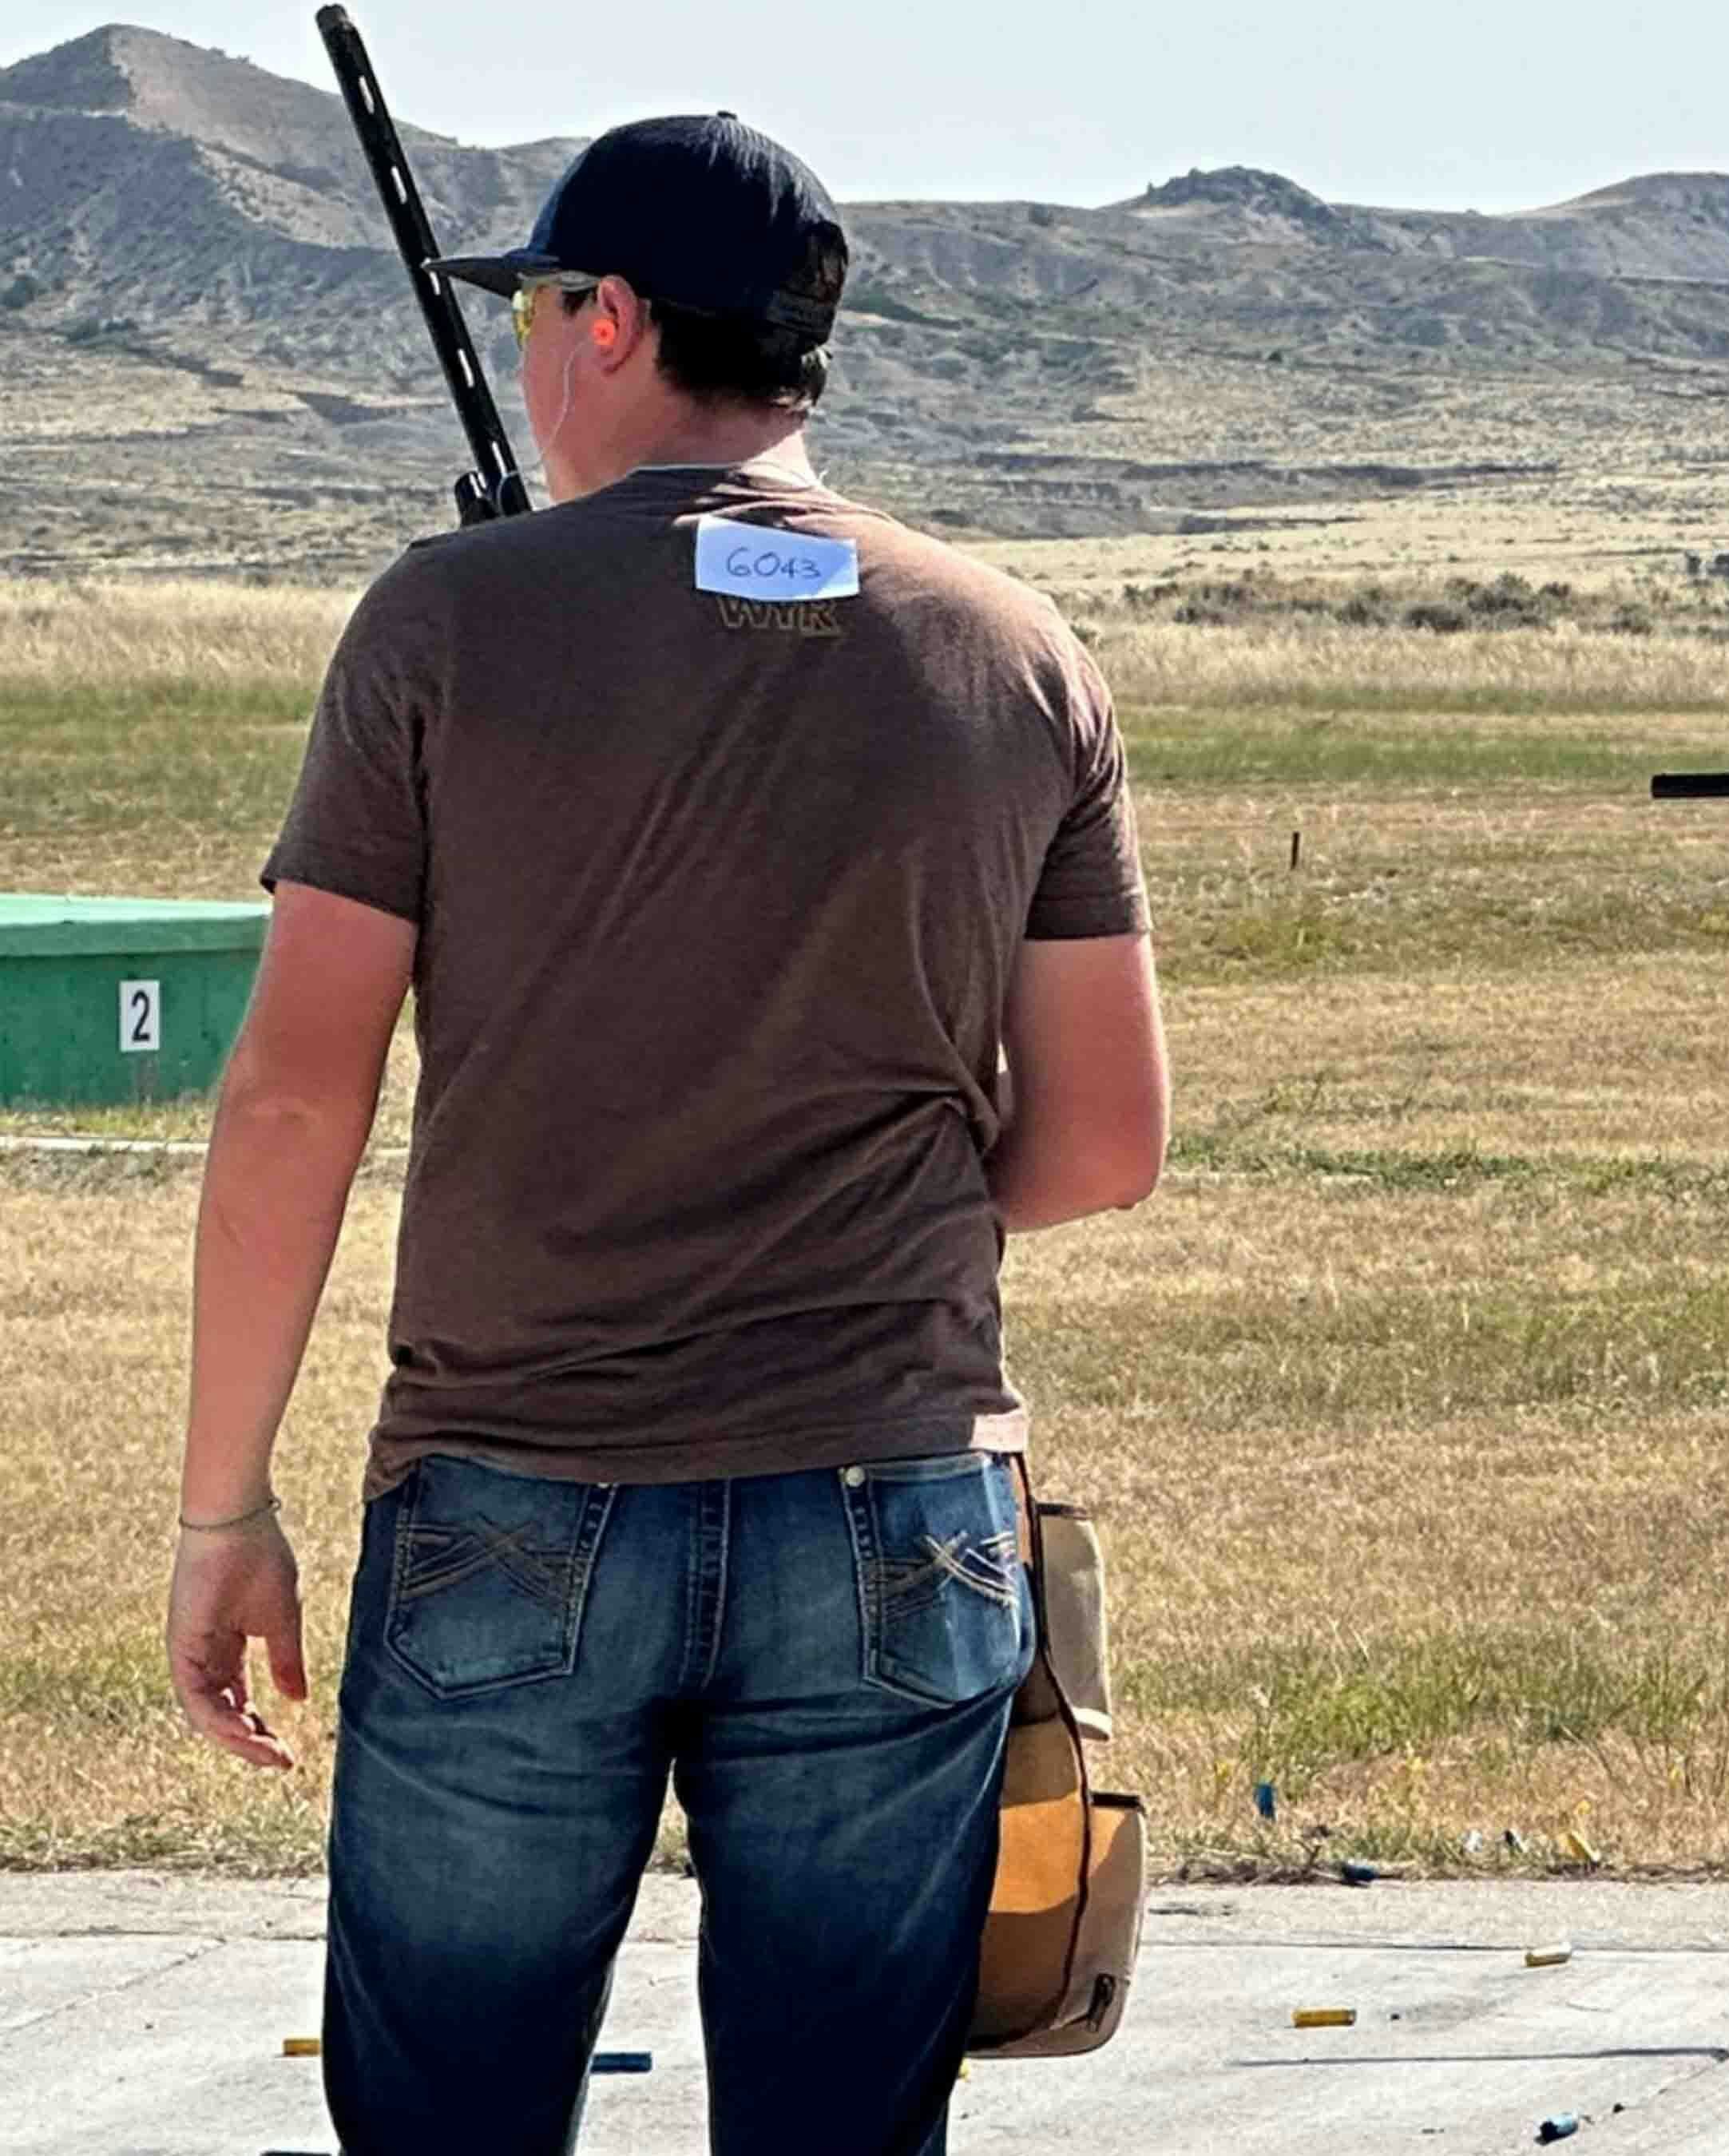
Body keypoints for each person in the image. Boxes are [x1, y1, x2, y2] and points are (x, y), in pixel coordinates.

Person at [159, 113, 1167, 2155]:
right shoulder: (1015, 650)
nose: (528, 355)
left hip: (516, 1500)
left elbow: (292, 1093)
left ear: (610, 320)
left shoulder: (441, 625)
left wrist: (222, 1506)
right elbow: (1106, 1142)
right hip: (896, 1503)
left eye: (539, 309)